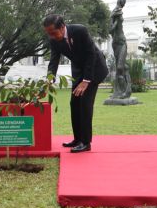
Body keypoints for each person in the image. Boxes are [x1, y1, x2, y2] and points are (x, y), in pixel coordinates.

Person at [43, 14, 108, 153]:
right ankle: (78, 139)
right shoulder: (54, 40)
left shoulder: (80, 31)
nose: (52, 36)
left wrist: (86, 80)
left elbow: (91, 54)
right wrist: (50, 78)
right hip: (78, 70)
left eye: (53, 33)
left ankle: (86, 142)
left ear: (62, 27)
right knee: (74, 103)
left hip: (94, 69)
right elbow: (54, 60)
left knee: (85, 104)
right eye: (49, 34)